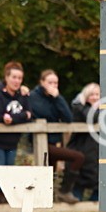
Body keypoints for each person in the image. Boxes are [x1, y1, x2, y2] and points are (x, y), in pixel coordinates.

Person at [29, 69, 85, 204]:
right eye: (50, 82)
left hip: (54, 142)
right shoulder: (33, 97)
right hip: (40, 142)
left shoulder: (56, 98)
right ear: (42, 82)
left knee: (50, 174)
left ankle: (50, 199)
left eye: (56, 83)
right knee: (78, 157)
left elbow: (68, 118)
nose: (53, 86)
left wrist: (58, 98)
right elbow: (42, 113)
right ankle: (64, 191)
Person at [0, 61, 33, 203]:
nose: (17, 81)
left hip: (11, 143)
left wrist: (13, 118)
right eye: (14, 77)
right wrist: (19, 117)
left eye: (19, 78)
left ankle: (3, 208)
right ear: (7, 77)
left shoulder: (23, 95)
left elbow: (30, 115)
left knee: (8, 178)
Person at [68, 82, 101, 201]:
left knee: (98, 183)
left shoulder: (104, 110)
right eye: (92, 94)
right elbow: (91, 118)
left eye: (97, 94)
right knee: (79, 182)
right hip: (81, 149)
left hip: (96, 151)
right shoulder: (79, 108)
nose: (95, 97)